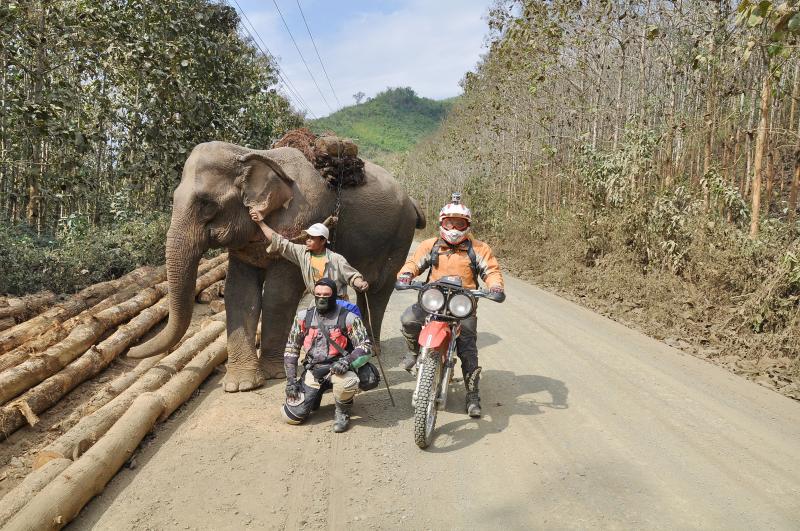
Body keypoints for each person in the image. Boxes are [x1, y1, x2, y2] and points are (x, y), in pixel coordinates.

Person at [396, 193, 504, 418]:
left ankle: (473, 395)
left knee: (467, 348)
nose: (454, 228)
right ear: (441, 223)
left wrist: (495, 287)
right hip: (433, 300)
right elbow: (414, 263)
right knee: (408, 319)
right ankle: (414, 352)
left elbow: (491, 271)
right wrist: (406, 275)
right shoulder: (431, 245)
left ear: (467, 225)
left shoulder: (479, 248)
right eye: (449, 223)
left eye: (459, 223)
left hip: (462, 305)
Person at [281, 278, 372, 432]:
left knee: (346, 384)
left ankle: (342, 411)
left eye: (326, 294)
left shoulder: (349, 317)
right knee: (292, 416)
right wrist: (291, 381)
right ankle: (314, 395)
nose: (322, 298)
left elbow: (366, 346)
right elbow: (291, 348)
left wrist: (347, 362)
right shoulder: (303, 317)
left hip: (339, 370)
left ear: (334, 296)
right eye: (318, 294)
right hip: (314, 370)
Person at [249, 208, 369, 303]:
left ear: (323, 241)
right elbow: (279, 242)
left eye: (312, 238)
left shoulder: (336, 259)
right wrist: (260, 222)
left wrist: (359, 283)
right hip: (318, 302)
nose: (308, 240)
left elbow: (352, 276)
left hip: (337, 303)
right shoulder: (303, 253)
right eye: (308, 237)